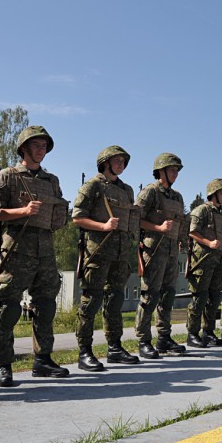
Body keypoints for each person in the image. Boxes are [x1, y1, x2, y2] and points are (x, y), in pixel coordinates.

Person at [0, 126, 71, 387]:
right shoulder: (8, 176)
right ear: (23, 148)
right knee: (9, 307)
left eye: (44, 146)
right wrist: (22, 211)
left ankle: (43, 360)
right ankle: (3, 364)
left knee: (46, 306)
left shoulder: (51, 181)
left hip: (45, 250)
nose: (41, 150)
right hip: (16, 248)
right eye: (36, 145)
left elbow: (57, 213)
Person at [73, 146, 140, 371]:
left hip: (121, 254)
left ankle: (114, 347)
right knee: (91, 302)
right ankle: (85, 352)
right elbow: (77, 217)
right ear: (105, 162)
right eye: (116, 160)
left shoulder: (127, 190)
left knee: (115, 301)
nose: (120, 164)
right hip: (98, 252)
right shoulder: (93, 186)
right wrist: (103, 225)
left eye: (123, 160)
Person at [135, 153, 188, 358]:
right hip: (153, 250)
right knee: (150, 295)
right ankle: (143, 340)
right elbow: (135, 219)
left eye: (177, 170)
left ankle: (164, 337)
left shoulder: (177, 197)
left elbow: (181, 222)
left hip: (171, 251)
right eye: (172, 169)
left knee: (168, 295)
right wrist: (158, 227)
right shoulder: (149, 193)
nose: (175, 173)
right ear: (161, 171)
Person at [187, 179, 222, 348]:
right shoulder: (202, 210)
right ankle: (192, 334)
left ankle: (208, 331)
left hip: (219, 259)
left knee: (214, 297)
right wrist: (208, 242)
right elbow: (192, 231)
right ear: (213, 194)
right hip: (203, 260)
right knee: (199, 297)